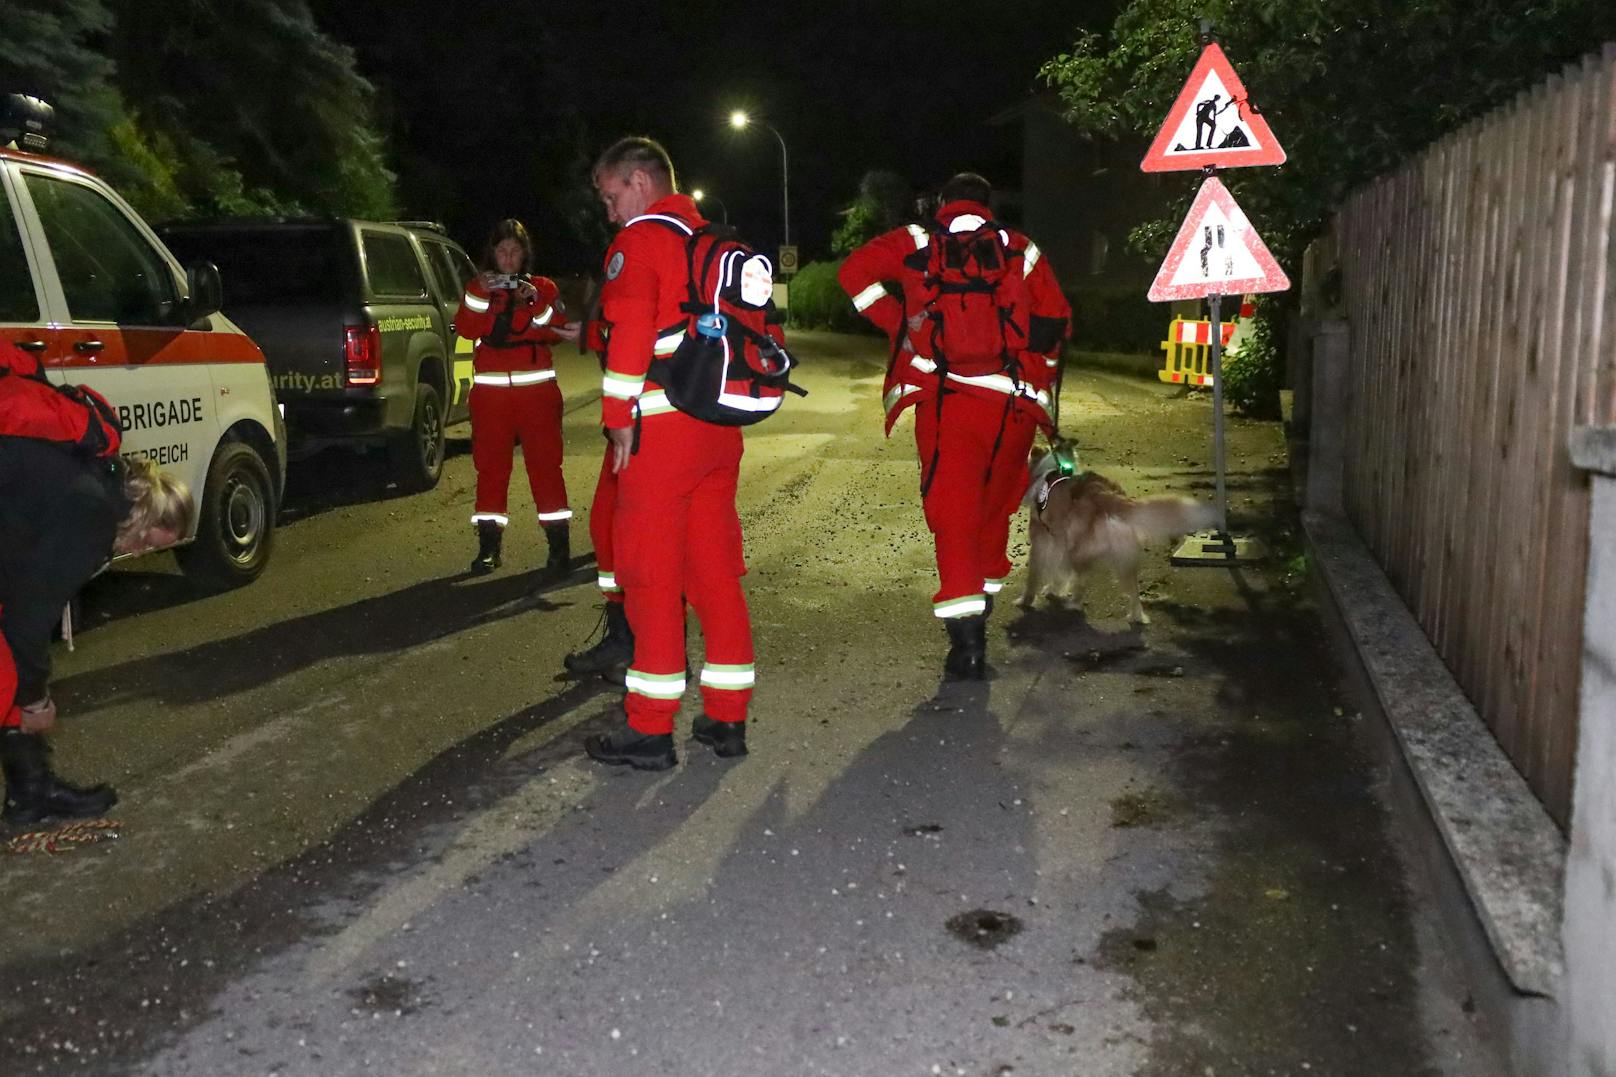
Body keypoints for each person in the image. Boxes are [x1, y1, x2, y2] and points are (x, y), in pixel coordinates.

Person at [839, 172, 1071, 679]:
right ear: (990, 206)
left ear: (940, 204)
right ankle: (981, 607)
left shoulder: (915, 242)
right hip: (1012, 410)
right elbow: (1057, 321)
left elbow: (852, 273)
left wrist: (902, 324)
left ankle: (966, 645)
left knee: (953, 515)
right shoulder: (1020, 248)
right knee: (992, 508)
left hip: (946, 403)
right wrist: (1034, 378)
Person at [581, 136, 761, 770]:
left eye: (610, 197)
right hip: (718, 430)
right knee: (713, 573)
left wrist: (615, 418)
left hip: (660, 432)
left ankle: (650, 729)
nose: (609, 213)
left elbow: (628, 330)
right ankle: (726, 718)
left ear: (638, 181)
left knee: (650, 578)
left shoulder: (640, 241)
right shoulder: (709, 241)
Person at [0, 424, 193, 823]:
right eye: (151, 543)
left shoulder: (103, 486)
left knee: (9, 678)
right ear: (146, 516)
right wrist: (36, 700)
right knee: (11, 681)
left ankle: (30, 794)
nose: (143, 553)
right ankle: (31, 794)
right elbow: (28, 621)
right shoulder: (91, 517)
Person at [454, 219, 579, 579]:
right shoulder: (478, 288)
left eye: (515, 250)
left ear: (525, 254)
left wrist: (532, 300)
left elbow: (555, 329)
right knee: (490, 470)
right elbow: (466, 328)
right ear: (492, 254)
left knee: (546, 469)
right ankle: (489, 549)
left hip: (537, 394)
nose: (508, 258)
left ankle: (559, 550)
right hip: (491, 397)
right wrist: (479, 292)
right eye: (502, 250)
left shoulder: (542, 287)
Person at [561, 313, 634, 685]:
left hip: (653, 428)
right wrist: (590, 332)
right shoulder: (623, 273)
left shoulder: (652, 264)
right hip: (625, 432)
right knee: (605, 531)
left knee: (648, 545)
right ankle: (623, 637)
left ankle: (661, 652)